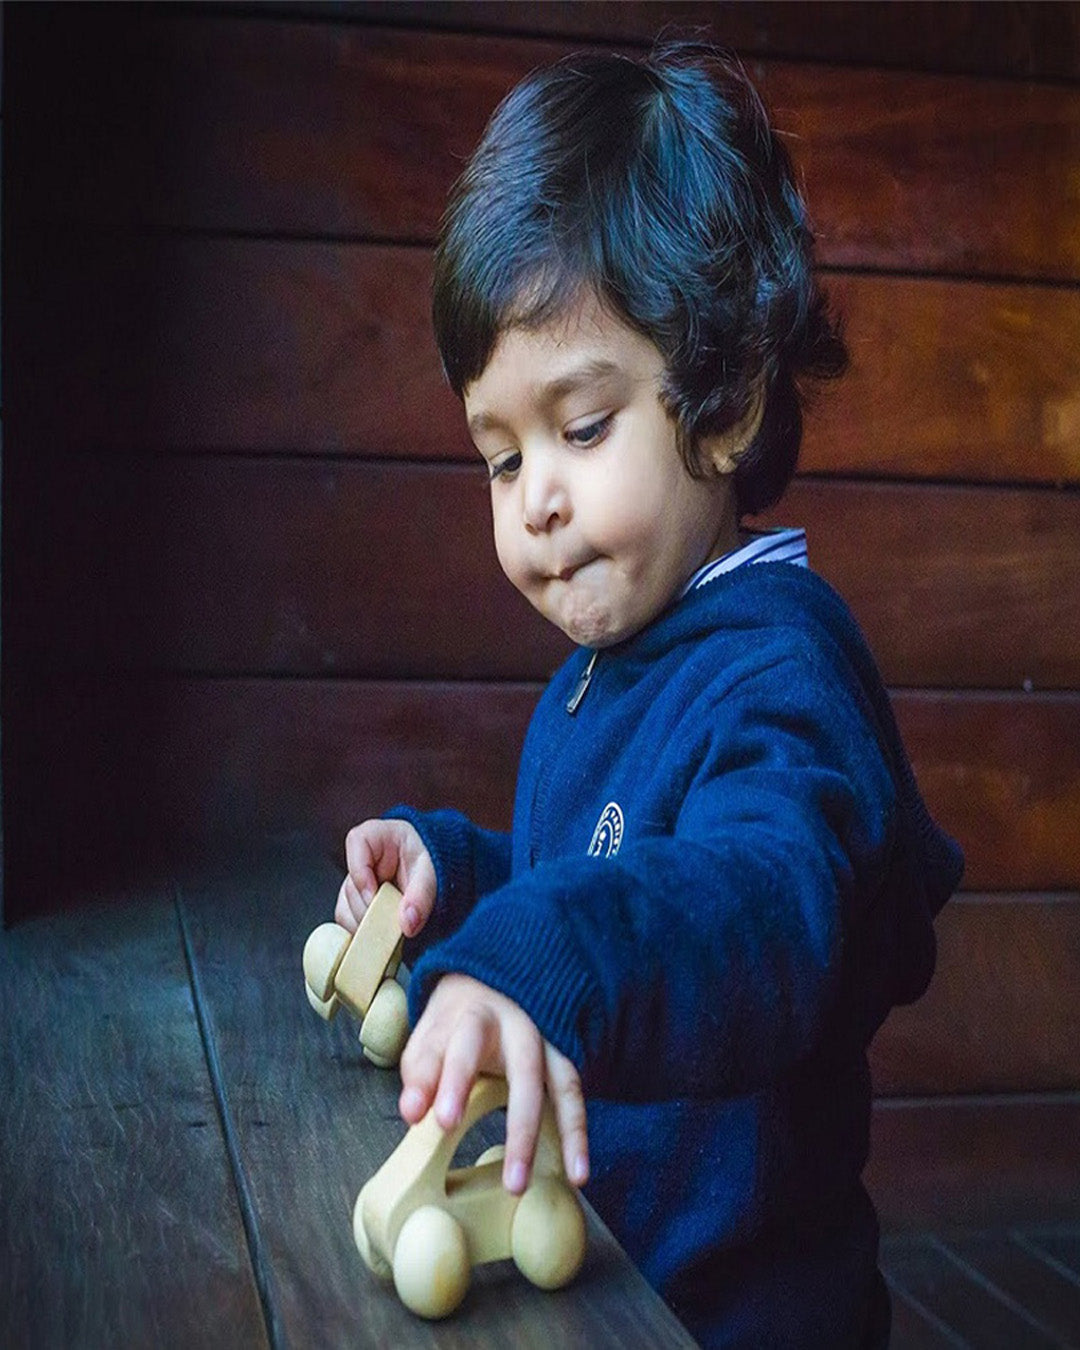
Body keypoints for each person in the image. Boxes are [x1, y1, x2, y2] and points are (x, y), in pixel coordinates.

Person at [334, 42, 963, 1348]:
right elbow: (607, 860)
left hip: (731, 1317)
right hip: (604, 1273)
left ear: (724, 401)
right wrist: (467, 877)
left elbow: (749, 895)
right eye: (499, 457)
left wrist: (548, 952)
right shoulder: (608, 670)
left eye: (578, 426)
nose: (537, 498)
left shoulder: (783, 676)